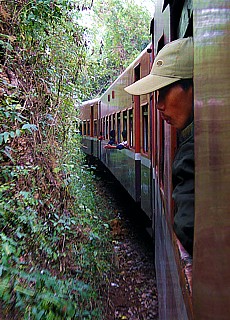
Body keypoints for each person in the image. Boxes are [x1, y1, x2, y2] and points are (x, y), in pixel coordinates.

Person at [124, 37, 194, 256]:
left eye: (164, 91)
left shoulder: (193, 153)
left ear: (194, 85)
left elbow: (190, 230)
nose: (159, 105)